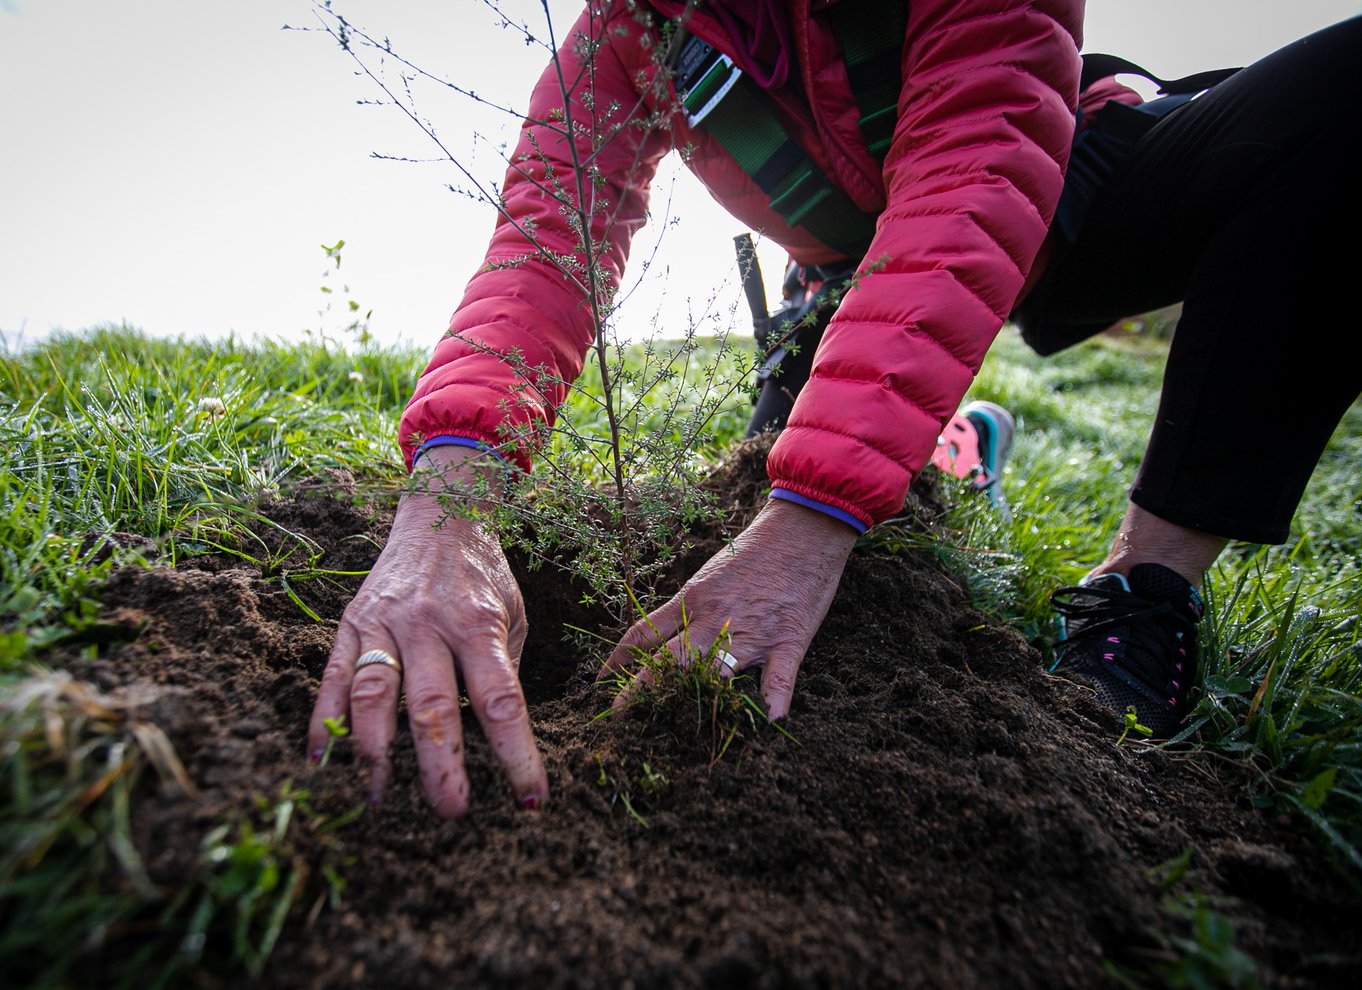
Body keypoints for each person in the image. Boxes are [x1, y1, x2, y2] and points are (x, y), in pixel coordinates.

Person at [305, 1, 1357, 817]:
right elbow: (547, 235)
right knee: (782, 510)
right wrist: (448, 502)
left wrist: (816, 510)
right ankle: (950, 454)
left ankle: (1145, 588)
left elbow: (974, 168)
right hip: (846, 270)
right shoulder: (634, 28)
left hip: (1079, 164)